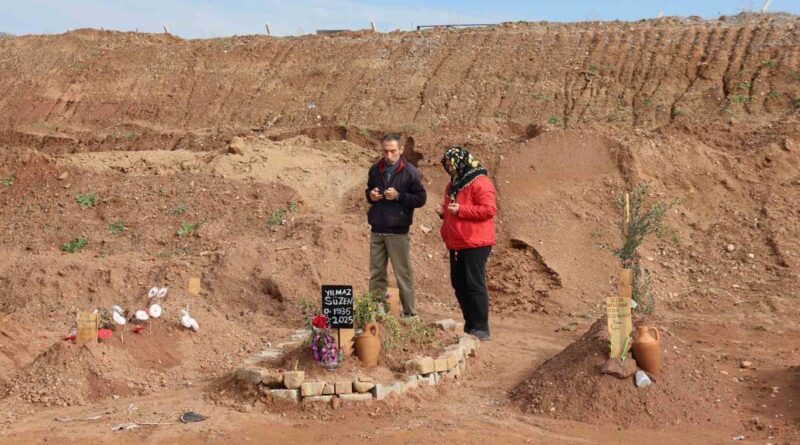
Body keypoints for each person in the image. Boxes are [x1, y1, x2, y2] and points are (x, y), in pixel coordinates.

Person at [437, 145, 496, 340]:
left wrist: (461, 210)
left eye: (451, 165)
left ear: (461, 162)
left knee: (473, 283)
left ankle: (481, 326)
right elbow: (454, 210)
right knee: (459, 283)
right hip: (458, 241)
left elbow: (488, 209)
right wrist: (444, 213)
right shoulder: (454, 185)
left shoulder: (480, 182)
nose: (449, 168)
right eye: (447, 165)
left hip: (476, 241)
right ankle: (471, 324)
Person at [366, 133, 427, 318]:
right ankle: (376, 311)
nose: (389, 155)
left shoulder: (411, 172)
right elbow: (368, 191)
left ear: (400, 150)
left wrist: (399, 195)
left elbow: (421, 199)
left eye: (393, 151)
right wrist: (371, 195)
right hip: (378, 228)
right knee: (377, 273)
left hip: (398, 231)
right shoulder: (375, 170)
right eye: (385, 151)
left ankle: (410, 313)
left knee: (403, 273)